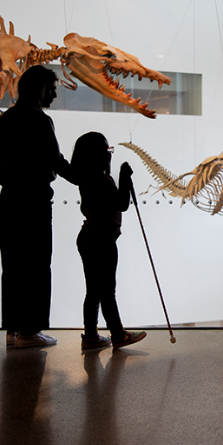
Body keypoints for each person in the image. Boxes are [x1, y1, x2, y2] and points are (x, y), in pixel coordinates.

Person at [0, 65, 78, 348]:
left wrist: (12, 182)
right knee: (37, 266)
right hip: (35, 203)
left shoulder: (5, 120)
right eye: (51, 89)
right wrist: (85, 177)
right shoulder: (40, 120)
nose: (53, 95)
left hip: (10, 202)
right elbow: (56, 161)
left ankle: (13, 330)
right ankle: (30, 332)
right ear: (38, 88)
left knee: (12, 266)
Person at [71, 132, 147, 349]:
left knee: (93, 290)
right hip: (102, 240)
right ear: (97, 154)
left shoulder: (87, 179)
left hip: (88, 237)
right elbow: (122, 203)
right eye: (106, 150)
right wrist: (124, 176)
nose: (108, 154)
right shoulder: (101, 179)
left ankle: (91, 336)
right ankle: (117, 333)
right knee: (107, 290)